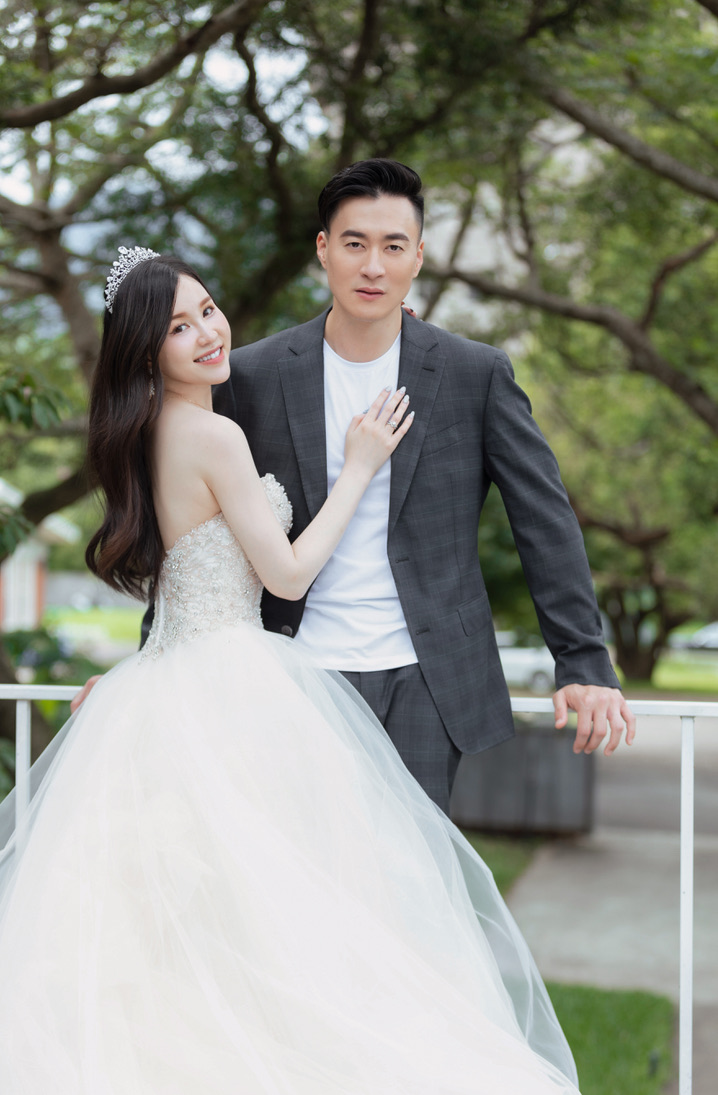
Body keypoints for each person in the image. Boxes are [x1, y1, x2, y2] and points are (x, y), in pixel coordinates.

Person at [0, 247, 583, 1093]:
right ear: (146, 351)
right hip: (234, 683)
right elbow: (288, 575)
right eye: (178, 327)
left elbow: (182, 572)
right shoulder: (213, 434)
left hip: (167, 677)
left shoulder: (146, 435)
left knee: (210, 924)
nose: (208, 333)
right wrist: (361, 465)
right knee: (302, 915)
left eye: (207, 309)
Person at [215, 159, 634, 810]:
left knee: (409, 868)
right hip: (293, 667)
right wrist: (158, 651)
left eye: (393, 246)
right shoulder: (253, 375)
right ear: (323, 249)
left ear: (418, 256)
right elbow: (202, 523)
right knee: (302, 865)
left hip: (426, 678)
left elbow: (544, 520)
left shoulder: (475, 374)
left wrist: (583, 661)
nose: (372, 266)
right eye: (354, 243)